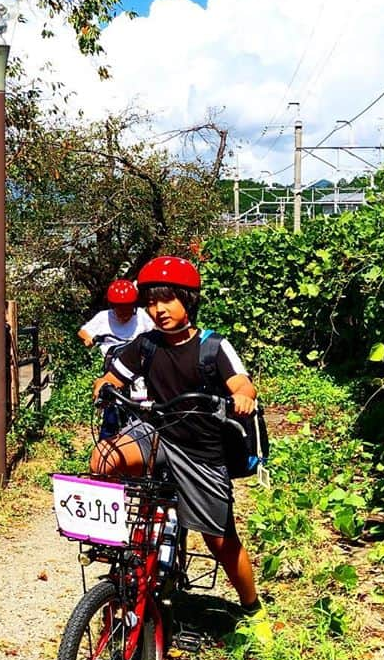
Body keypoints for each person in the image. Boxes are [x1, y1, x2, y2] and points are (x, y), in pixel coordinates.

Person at [90, 256, 263, 617]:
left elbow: (242, 383)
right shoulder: (146, 344)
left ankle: (252, 609)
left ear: (188, 300)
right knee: (104, 458)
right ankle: (129, 544)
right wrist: (104, 385)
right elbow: (114, 377)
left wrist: (243, 397)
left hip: (201, 449)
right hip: (155, 432)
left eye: (167, 299)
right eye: (151, 301)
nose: (158, 309)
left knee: (220, 540)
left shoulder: (213, 347)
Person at [78, 279, 155, 439]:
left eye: (127, 311)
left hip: (137, 374)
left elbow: (155, 332)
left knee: (140, 416)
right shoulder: (103, 317)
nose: (124, 315)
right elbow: (83, 332)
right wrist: (89, 339)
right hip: (113, 372)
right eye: (119, 311)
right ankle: (106, 452)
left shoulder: (141, 316)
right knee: (111, 417)